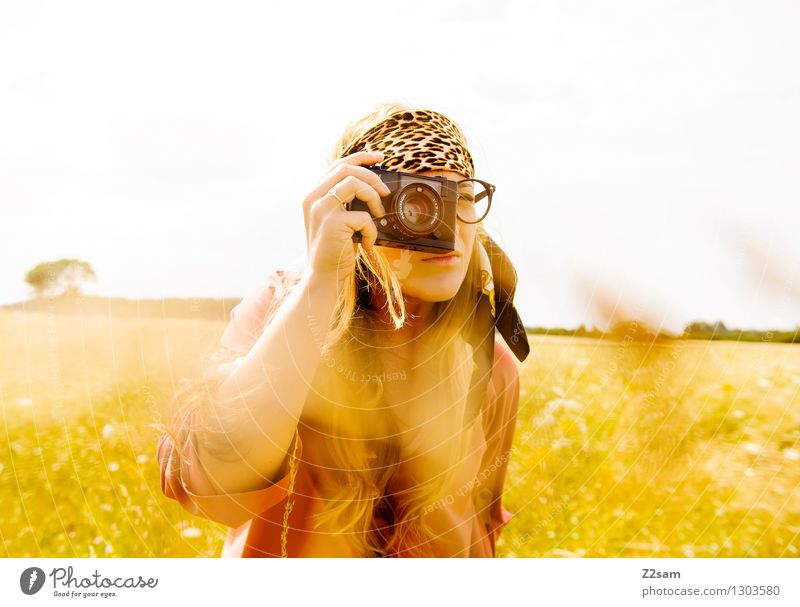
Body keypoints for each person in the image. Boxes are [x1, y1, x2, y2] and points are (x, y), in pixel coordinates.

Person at [156, 103, 529, 557]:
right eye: (416, 200)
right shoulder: (284, 308)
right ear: (357, 209)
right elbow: (211, 488)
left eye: (463, 197)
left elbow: (480, 531)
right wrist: (319, 286)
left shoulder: (489, 363)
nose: (447, 227)